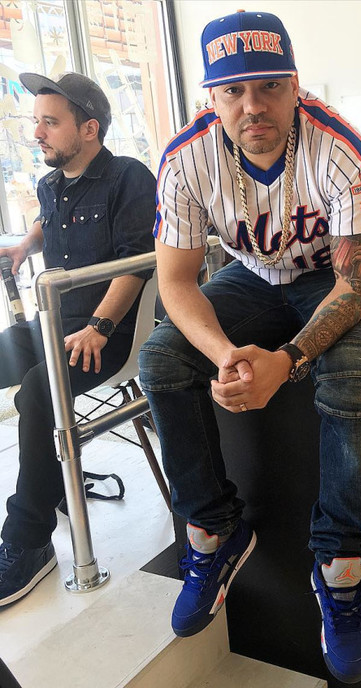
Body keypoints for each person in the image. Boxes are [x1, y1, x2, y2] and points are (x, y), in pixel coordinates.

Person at [137, 11, 361, 685]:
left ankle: (340, 570)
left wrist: (289, 361)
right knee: (161, 360)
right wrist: (223, 351)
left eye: (269, 86)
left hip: (331, 278)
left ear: (295, 85)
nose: (253, 105)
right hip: (249, 278)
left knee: (352, 376)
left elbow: (356, 285)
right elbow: (175, 281)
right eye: (234, 91)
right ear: (212, 97)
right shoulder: (186, 158)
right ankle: (215, 531)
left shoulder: (340, 147)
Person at [0, 72, 156, 607]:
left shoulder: (129, 178)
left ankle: (29, 539)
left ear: (89, 129)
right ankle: (47, 479)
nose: (36, 133)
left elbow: (137, 262)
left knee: (37, 391)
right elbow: (49, 220)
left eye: (50, 122)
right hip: (57, 322)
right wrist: (24, 246)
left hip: (109, 333)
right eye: (36, 121)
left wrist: (101, 326)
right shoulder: (51, 183)